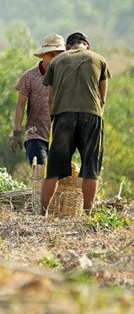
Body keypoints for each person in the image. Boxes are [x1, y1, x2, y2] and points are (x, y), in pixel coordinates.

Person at [40, 31, 110, 215]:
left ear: (68, 47)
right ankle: (87, 214)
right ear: (87, 46)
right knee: (90, 168)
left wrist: (54, 118)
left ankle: (42, 214)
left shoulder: (56, 61)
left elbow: (50, 99)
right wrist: (95, 118)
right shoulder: (99, 60)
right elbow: (103, 98)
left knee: (53, 169)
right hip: (92, 116)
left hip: (63, 116)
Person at [11, 34, 66, 165]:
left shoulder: (66, 76)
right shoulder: (30, 76)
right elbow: (20, 105)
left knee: (58, 179)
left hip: (59, 135)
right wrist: (16, 133)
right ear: (43, 55)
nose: (55, 59)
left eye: (59, 55)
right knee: (40, 173)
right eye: (51, 55)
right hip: (35, 134)